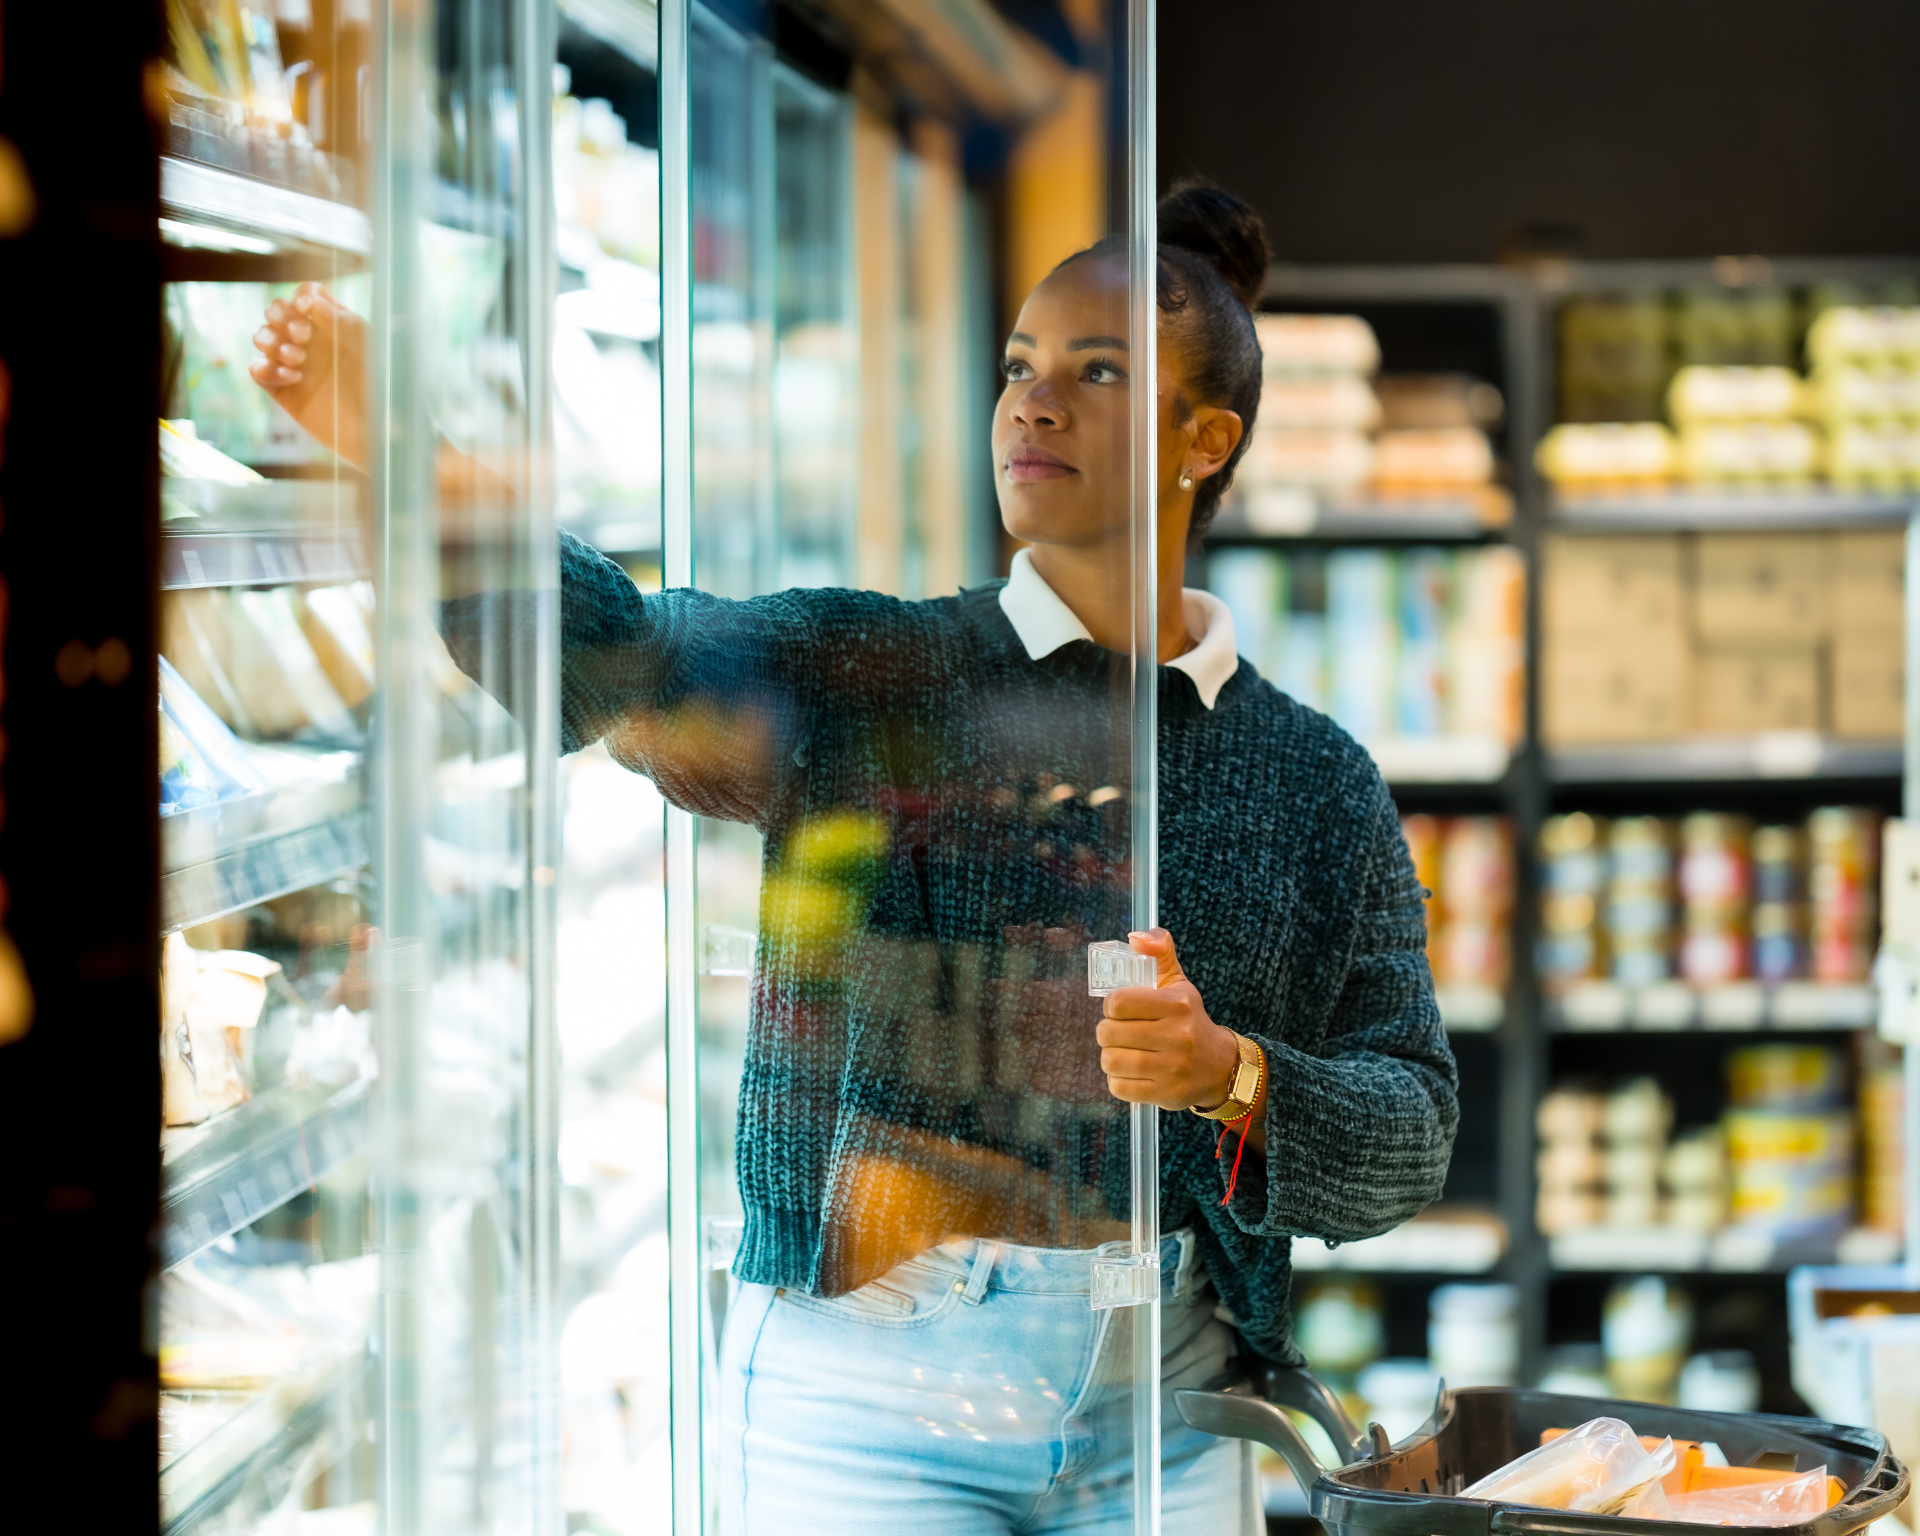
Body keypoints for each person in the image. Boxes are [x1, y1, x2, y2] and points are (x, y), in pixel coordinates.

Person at [251, 182, 1458, 1536]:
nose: (1031, 404)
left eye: (1096, 372)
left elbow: (1408, 1128)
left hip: (1164, 1417)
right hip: (861, 1414)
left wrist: (1228, 1074)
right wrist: (412, 455)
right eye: (1018, 368)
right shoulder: (870, 667)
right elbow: (616, 663)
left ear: (1204, 437)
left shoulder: (1313, 776)